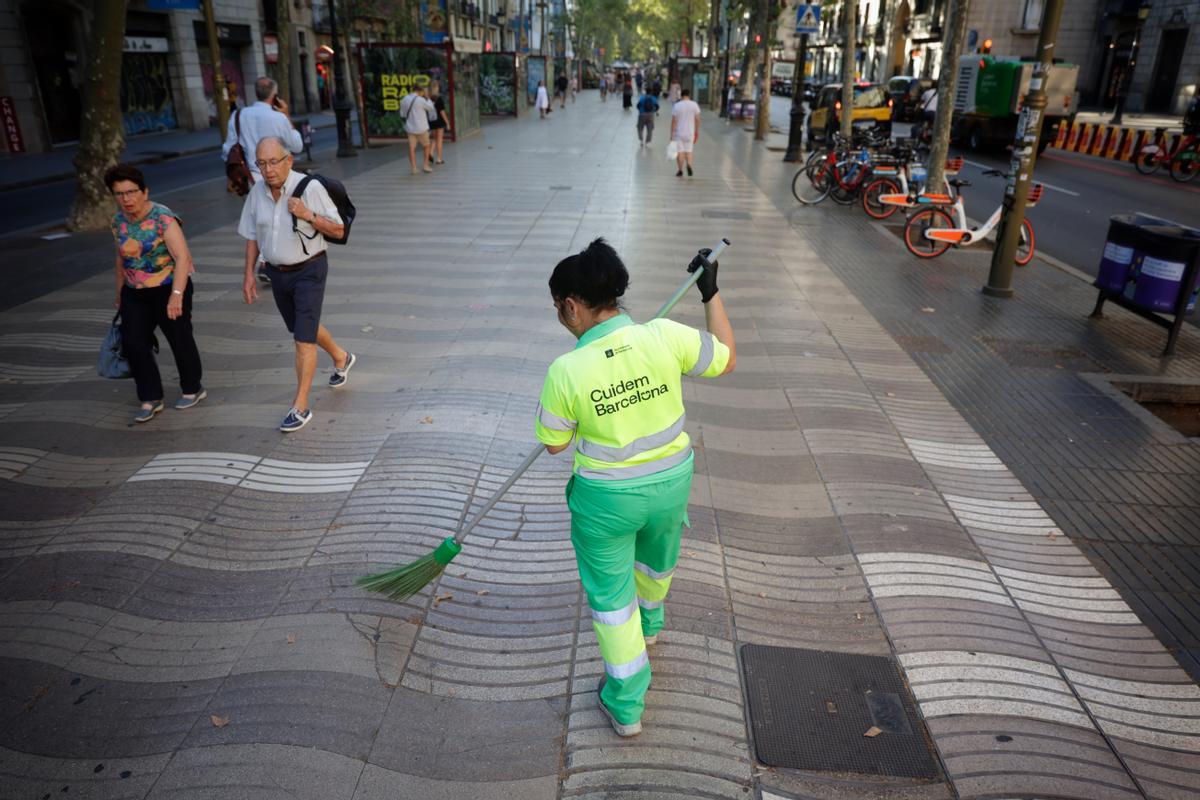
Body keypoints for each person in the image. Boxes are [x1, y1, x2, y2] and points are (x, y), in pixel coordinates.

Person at [534, 239, 736, 738]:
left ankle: (626, 706)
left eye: (559, 309)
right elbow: (726, 359)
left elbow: (555, 445)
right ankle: (651, 623)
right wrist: (711, 293)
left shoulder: (567, 370)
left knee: (611, 600)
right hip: (670, 486)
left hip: (605, 503)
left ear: (572, 306)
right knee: (655, 560)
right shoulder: (663, 335)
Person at [239, 137, 356, 433]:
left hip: (309, 270)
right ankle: (341, 357)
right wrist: (249, 274)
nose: (267, 170)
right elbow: (252, 234)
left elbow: (339, 229)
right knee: (305, 327)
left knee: (302, 340)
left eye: (273, 162)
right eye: (261, 163)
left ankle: (300, 406)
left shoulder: (310, 188)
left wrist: (308, 215)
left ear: (288, 160)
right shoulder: (256, 193)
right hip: (277, 273)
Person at [106, 163, 204, 424]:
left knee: (179, 339)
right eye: (119, 193)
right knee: (134, 343)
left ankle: (193, 387)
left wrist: (177, 294)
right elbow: (120, 259)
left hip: (169, 286)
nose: (126, 199)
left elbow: (182, 257)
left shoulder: (163, 217)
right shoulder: (117, 222)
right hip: (134, 292)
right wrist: (119, 293)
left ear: (144, 191)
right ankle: (150, 397)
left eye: (131, 191)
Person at [222, 77, 303, 184]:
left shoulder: (238, 115)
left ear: (256, 93)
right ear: (275, 96)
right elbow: (297, 146)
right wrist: (287, 116)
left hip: (253, 178)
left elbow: (227, 150)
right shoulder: (279, 118)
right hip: (280, 178)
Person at [401, 85, 436, 174]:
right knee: (426, 146)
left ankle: (414, 168)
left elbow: (403, 114)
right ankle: (425, 166)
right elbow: (431, 108)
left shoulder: (404, 99)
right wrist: (427, 98)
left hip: (410, 128)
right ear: (420, 91)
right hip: (422, 128)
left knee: (412, 148)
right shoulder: (421, 100)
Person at [670, 88, 701, 177]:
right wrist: (696, 132)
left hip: (679, 133)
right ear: (689, 95)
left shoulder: (677, 105)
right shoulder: (694, 105)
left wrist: (671, 134)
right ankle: (689, 165)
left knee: (680, 152)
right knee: (689, 152)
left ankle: (680, 170)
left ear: (681, 96)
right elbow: (698, 119)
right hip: (690, 133)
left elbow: (673, 121)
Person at [428, 80, 450, 165]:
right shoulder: (439, 98)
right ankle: (439, 159)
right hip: (439, 122)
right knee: (440, 140)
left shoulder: (428, 99)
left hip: (432, 121)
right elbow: (442, 112)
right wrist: (447, 122)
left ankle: (430, 152)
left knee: (434, 138)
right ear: (436, 88)